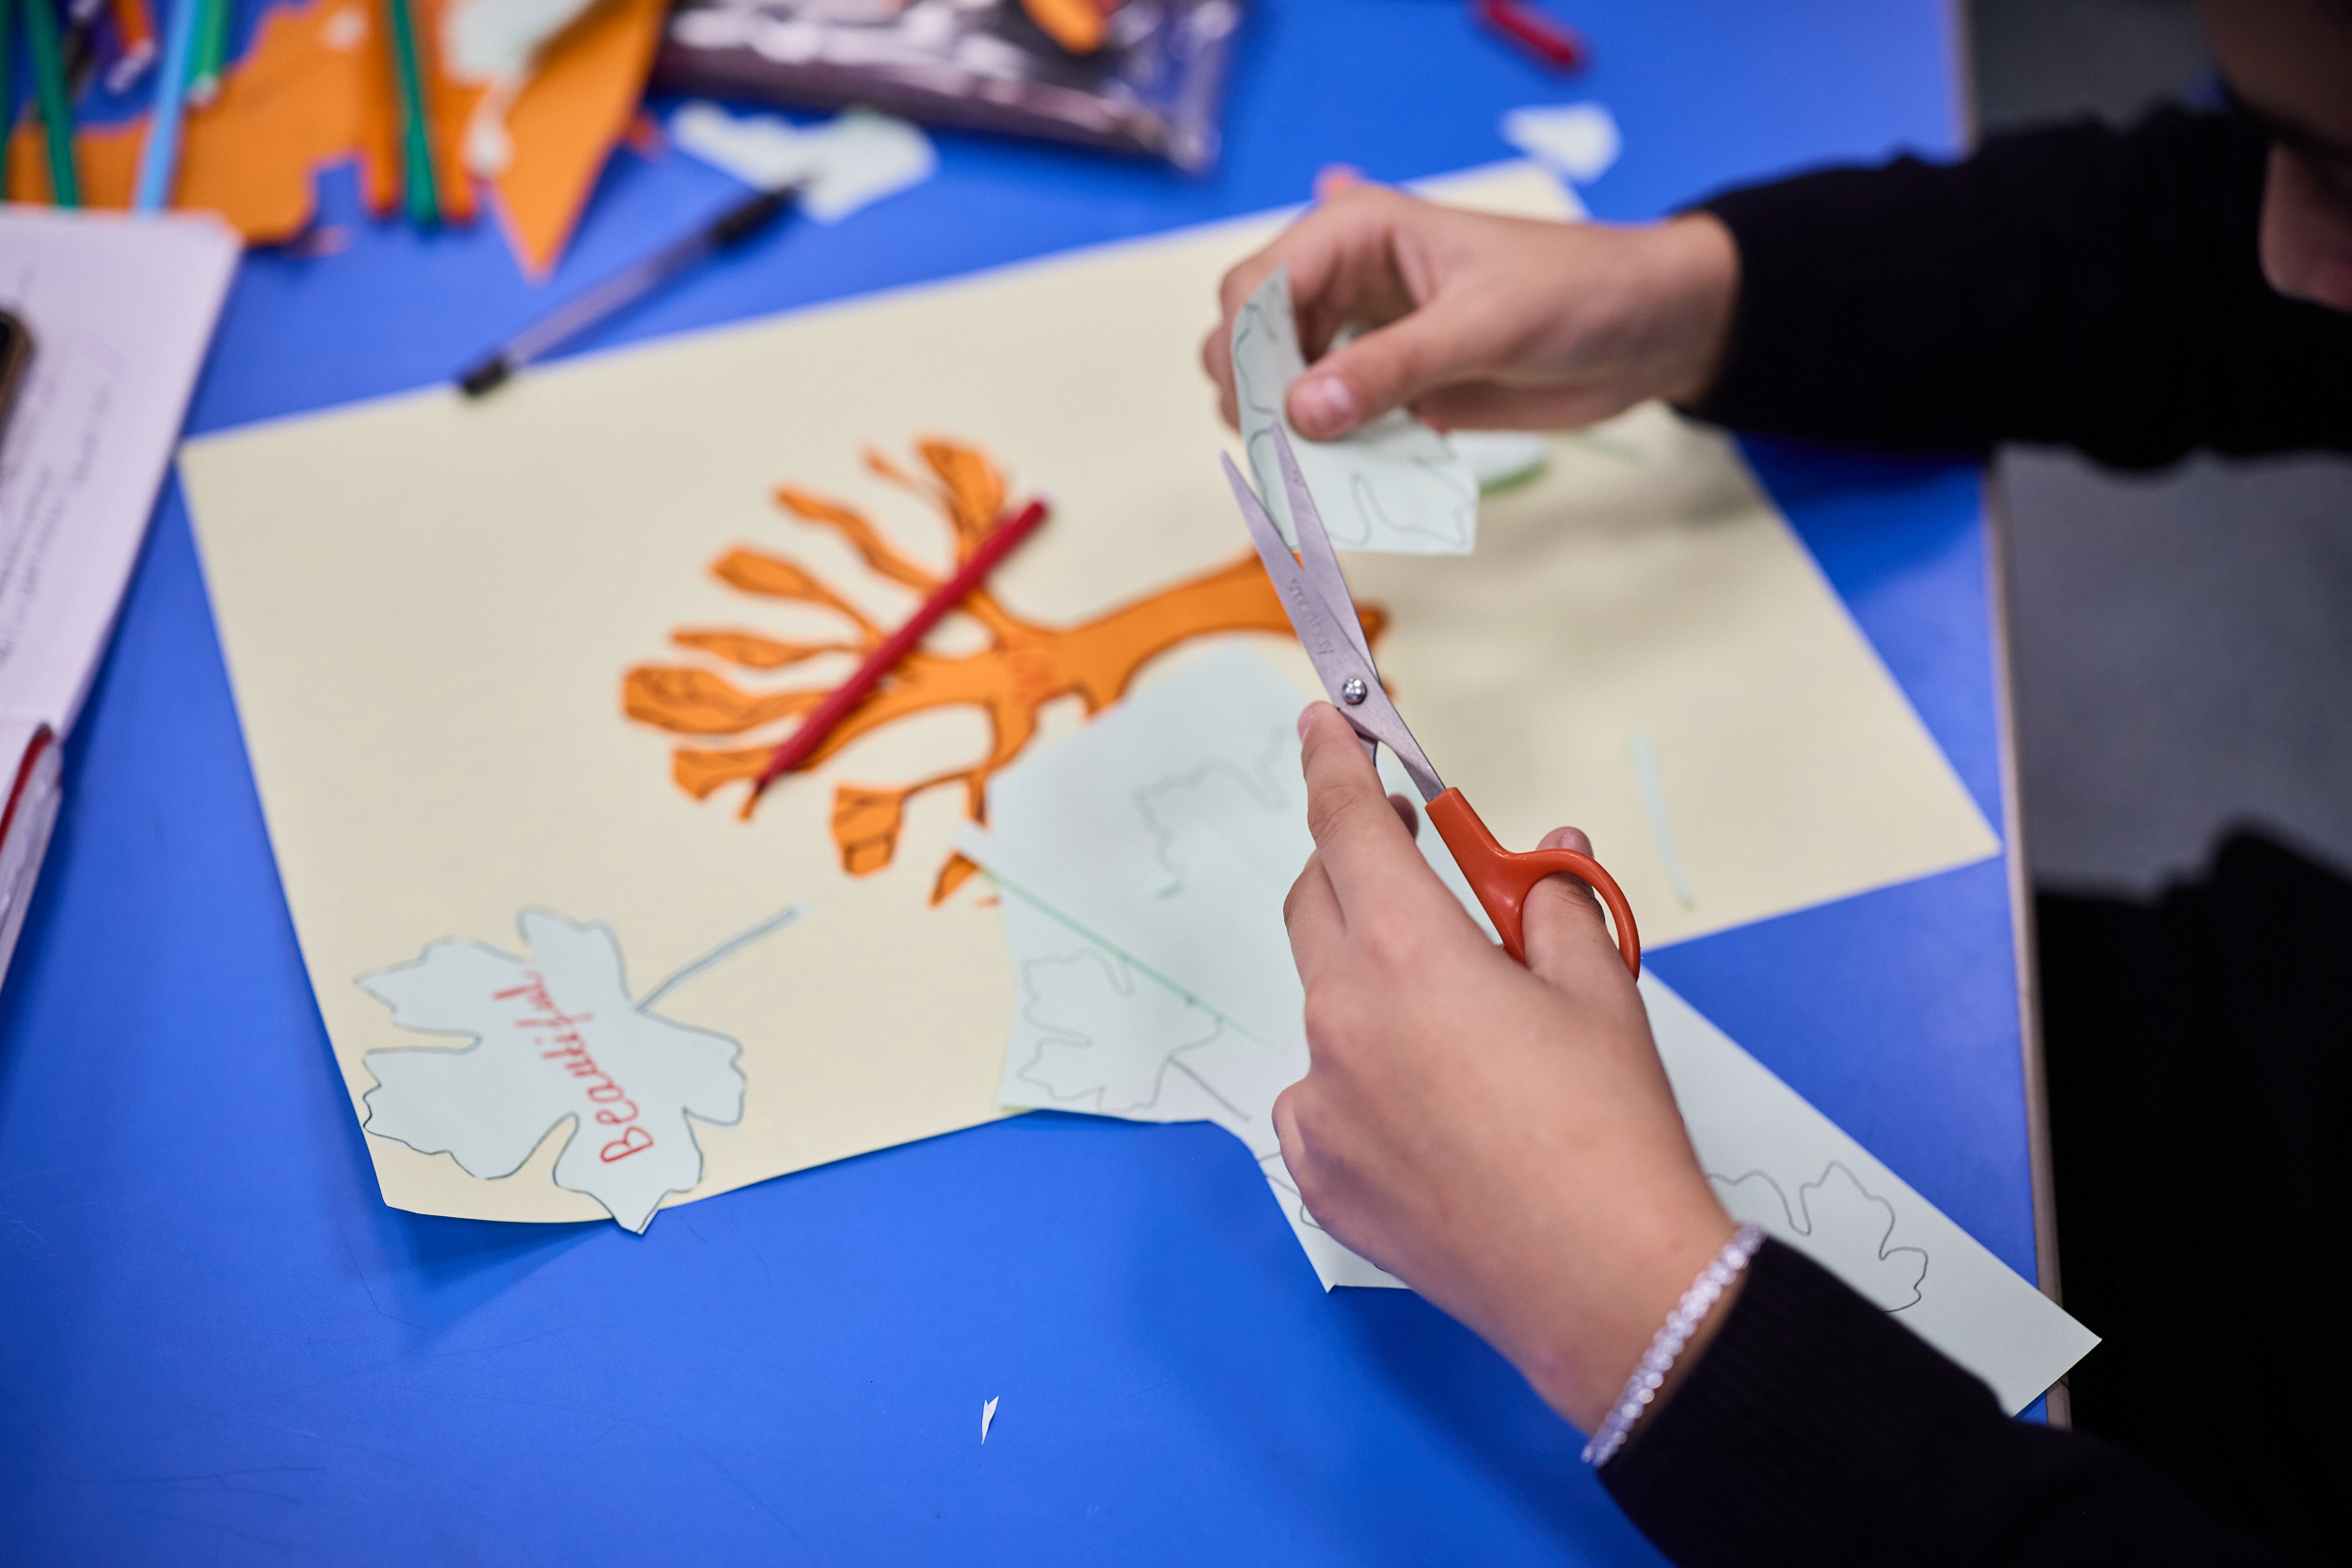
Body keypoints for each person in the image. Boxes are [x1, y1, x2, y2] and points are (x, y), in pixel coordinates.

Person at [1199, 0, 2352, 1562]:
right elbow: (2211, 255)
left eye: (2347, 188)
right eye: (2287, 144)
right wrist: (1689, 296)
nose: (2289, 247)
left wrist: (1651, 1328)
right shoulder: (2302, 230)